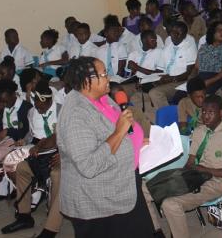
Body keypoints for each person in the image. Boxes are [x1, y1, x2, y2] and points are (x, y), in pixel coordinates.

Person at [56, 57, 154, 236]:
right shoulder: (76, 114)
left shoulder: (102, 98)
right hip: (98, 200)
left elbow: (118, 133)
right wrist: (118, 132)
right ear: (87, 81)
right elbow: (89, 165)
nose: (108, 78)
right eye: (103, 75)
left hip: (123, 186)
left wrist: (137, 144)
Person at [160, 95, 222, 238]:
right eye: (203, 112)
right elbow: (191, 161)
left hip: (216, 181)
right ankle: (157, 231)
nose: (205, 116)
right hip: (196, 176)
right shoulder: (199, 131)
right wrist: (181, 176)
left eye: (211, 112)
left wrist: (206, 170)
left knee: (170, 204)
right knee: (146, 188)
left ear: (221, 114)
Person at [1, 81, 61, 238]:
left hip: (60, 152)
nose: (38, 109)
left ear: (49, 101)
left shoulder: (62, 110)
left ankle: (51, 223)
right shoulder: (32, 112)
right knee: (21, 167)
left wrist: (44, 147)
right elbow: (32, 133)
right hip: (40, 151)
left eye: (41, 106)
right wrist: (26, 141)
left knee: (56, 175)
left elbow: (60, 137)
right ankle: (24, 216)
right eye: (36, 105)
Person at [150, 22, 197, 109]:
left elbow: (188, 73)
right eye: (172, 32)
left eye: (178, 33)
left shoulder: (189, 47)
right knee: (140, 92)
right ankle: (156, 117)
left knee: (155, 93)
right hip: (166, 78)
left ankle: (169, 118)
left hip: (180, 81)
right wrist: (149, 77)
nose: (174, 35)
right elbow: (161, 68)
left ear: (184, 35)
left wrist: (170, 79)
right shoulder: (168, 45)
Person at [193, 21, 222, 94]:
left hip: (217, 79)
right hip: (201, 78)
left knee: (201, 94)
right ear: (212, 32)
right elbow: (197, 66)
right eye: (219, 30)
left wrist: (209, 81)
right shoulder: (204, 47)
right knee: (180, 94)